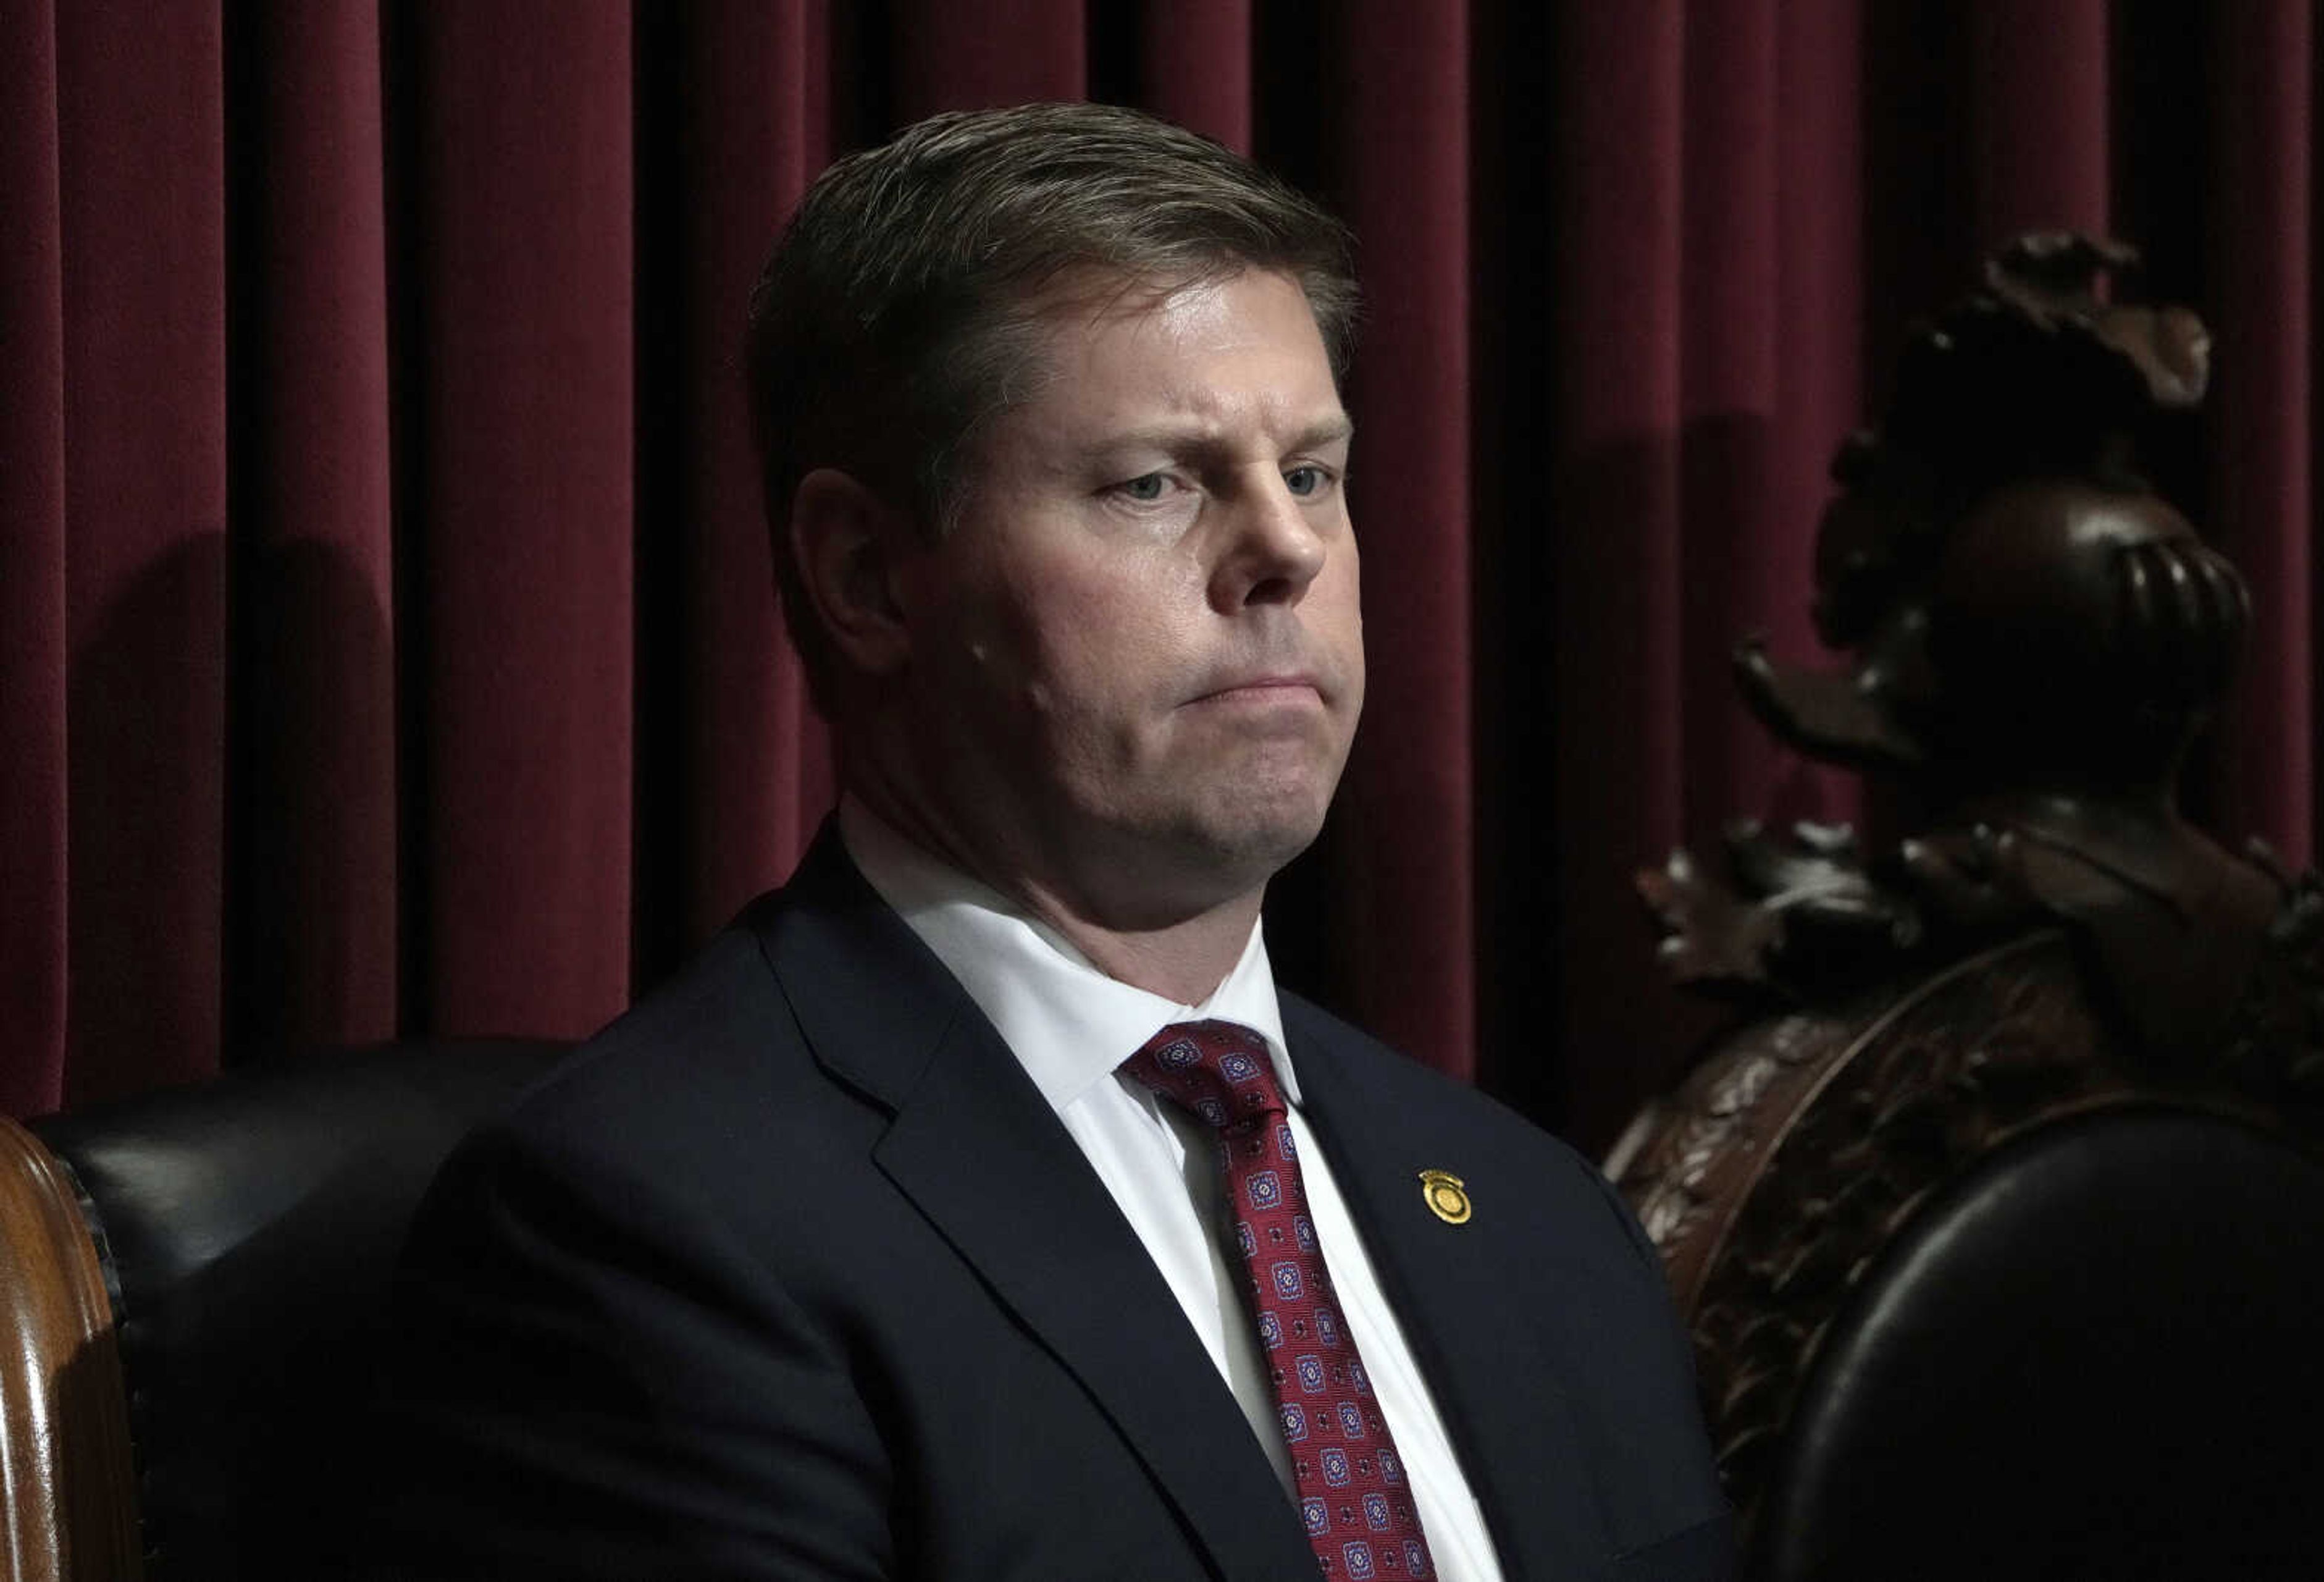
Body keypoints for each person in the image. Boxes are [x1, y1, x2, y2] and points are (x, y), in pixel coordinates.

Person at [380, 101, 1732, 1581]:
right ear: (868, 577)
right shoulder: (650, 1233)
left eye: (1314, 473)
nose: (1284, 547)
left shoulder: (1540, 1217)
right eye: (1155, 482)